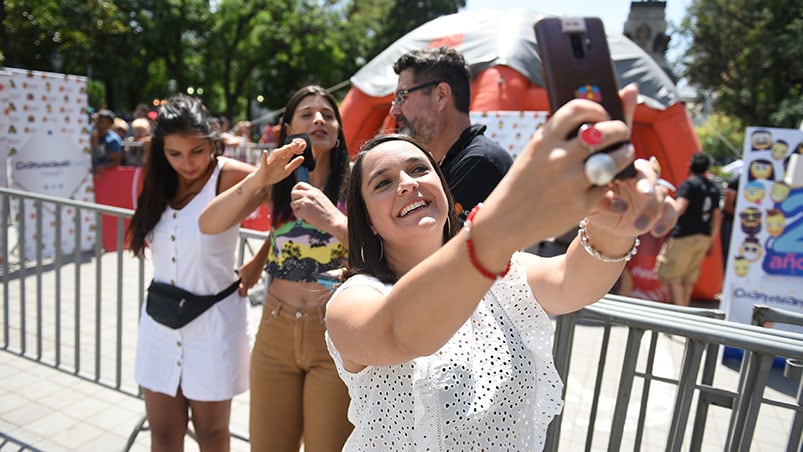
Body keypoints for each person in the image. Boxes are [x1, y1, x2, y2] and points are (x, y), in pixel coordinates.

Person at [325, 84, 677, 450]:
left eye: (418, 168)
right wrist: (510, 213)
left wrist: (613, 229)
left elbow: (573, 282)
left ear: (444, 190)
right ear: (367, 222)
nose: (407, 184)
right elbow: (400, 334)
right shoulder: (353, 300)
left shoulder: (505, 274)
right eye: (383, 182)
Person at [199, 85, 353, 451]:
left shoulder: (358, 180)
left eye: (328, 114)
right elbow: (208, 223)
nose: (319, 119)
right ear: (287, 129)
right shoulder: (277, 182)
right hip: (275, 327)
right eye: (307, 114)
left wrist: (331, 219)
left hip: (333, 330)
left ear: (338, 129)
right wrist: (258, 180)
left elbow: (378, 248)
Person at [127, 94, 255, 450]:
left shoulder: (227, 175)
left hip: (213, 324)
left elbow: (290, 203)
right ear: (161, 150)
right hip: (159, 323)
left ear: (212, 143)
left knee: (212, 436)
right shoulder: (158, 180)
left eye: (197, 151)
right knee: (163, 436)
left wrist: (259, 263)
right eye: (175, 153)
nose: (187, 163)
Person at [390, 46, 513, 218]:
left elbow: (435, 242)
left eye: (402, 96)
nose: (393, 111)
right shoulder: (449, 162)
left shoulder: (479, 163)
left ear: (441, 95)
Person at [656, 151, 722, 306]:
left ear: (690, 165)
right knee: (688, 279)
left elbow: (680, 208)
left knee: (673, 276)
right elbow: (717, 218)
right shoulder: (713, 189)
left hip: (684, 236)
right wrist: (711, 241)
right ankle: (684, 313)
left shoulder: (688, 185)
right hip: (704, 237)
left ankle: (678, 314)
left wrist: (664, 201)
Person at [90, 108, 123, 175]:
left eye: (105, 122)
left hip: (102, 175)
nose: (101, 125)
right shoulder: (86, 133)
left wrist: (103, 167)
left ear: (110, 125)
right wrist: (94, 136)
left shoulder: (113, 140)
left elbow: (116, 161)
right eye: (100, 121)